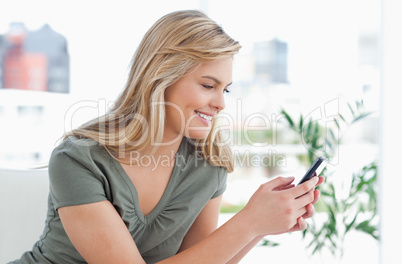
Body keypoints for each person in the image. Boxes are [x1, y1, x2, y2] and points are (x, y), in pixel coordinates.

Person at [10, 10, 324, 264]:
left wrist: (263, 225)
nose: (221, 102)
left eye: (225, 89)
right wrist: (249, 222)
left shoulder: (208, 165)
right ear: (163, 76)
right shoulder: (78, 158)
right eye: (207, 85)